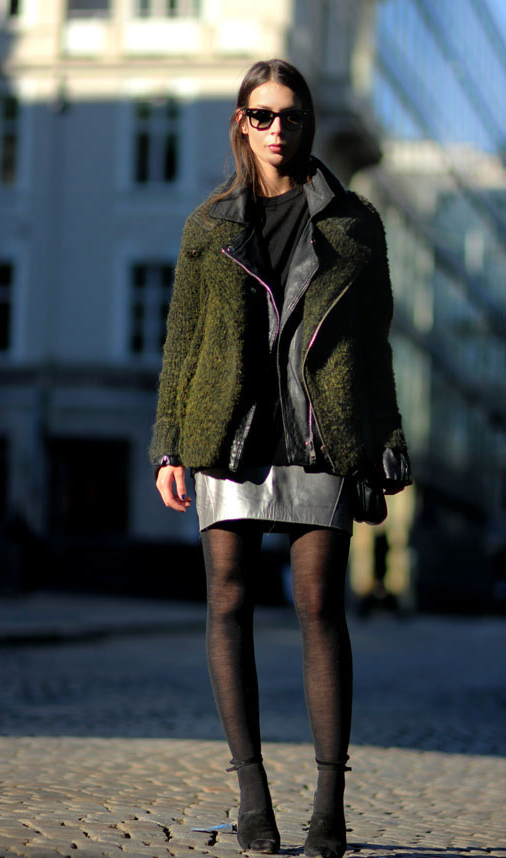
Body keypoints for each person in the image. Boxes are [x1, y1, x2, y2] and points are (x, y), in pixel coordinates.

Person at [151, 59, 411, 857]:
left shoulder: (354, 223)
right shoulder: (209, 225)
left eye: (290, 115)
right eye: (261, 114)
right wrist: (168, 444)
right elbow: (182, 339)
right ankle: (253, 798)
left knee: (320, 610)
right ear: (241, 121)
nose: (276, 128)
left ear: (306, 121)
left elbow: (374, 344)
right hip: (228, 434)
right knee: (227, 605)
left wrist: (386, 439)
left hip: (320, 435)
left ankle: (330, 807)